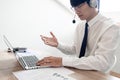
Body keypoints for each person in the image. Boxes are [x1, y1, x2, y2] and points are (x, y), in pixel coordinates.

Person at [36, 0, 119, 73]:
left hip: (97, 74)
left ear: (93, 2)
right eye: (74, 7)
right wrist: (58, 45)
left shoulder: (110, 27)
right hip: (80, 71)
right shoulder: (81, 26)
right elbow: (75, 49)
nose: (76, 11)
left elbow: (102, 62)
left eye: (79, 6)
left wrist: (62, 61)